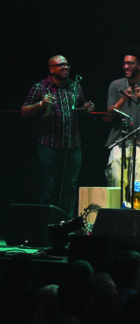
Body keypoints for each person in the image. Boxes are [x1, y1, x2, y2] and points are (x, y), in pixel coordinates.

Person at [21, 54, 95, 216]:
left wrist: (86, 108)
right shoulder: (41, 87)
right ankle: (45, 225)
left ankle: (66, 224)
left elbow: (79, 111)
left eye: (67, 65)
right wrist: (41, 104)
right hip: (49, 145)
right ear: (51, 69)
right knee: (49, 188)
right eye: (60, 65)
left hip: (73, 145)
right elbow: (24, 113)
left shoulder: (75, 87)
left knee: (70, 187)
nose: (65, 68)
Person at [105, 47, 140, 190]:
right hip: (119, 141)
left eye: (130, 63)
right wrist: (123, 99)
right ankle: (118, 213)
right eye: (124, 63)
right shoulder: (116, 85)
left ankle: (137, 213)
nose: (126, 66)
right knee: (117, 184)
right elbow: (109, 114)